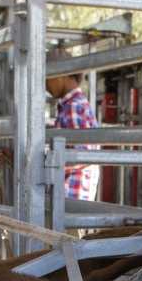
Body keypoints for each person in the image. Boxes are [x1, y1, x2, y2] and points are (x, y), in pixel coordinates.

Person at [46, 71, 101, 201]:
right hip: (75, 190)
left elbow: (82, 155)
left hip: (71, 191)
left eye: (46, 79)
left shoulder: (73, 106)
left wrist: (42, 163)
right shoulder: (74, 104)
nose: (45, 86)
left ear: (61, 75)